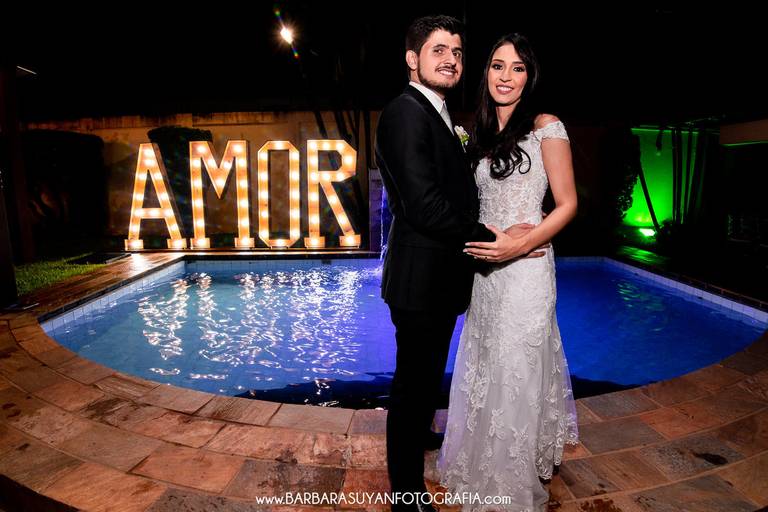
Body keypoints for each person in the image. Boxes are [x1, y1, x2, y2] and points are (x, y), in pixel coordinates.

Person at [375, 16, 545, 512]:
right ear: (413, 59)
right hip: (419, 282)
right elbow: (424, 207)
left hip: (439, 280)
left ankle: (419, 434)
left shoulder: (438, 114)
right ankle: (406, 494)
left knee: (425, 379)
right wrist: (496, 239)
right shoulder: (405, 113)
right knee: (412, 388)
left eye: (456, 52)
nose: (451, 60)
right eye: (438, 50)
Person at [436, 33, 580, 512]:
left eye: (517, 68)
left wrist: (523, 242)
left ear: (529, 76)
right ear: (486, 73)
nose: (506, 76)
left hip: (527, 272)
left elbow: (567, 204)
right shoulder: (478, 134)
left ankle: (511, 479)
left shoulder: (545, 127)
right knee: (487, 366)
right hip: (486, 276)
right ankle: (480, 463)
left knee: (518, 368)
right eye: (498, 65)